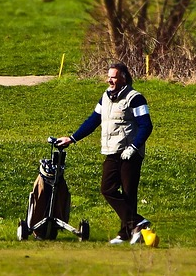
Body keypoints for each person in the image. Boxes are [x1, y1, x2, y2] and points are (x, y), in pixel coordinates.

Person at [56, 62, 153, 244]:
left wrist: (133, 147)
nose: (109, 80)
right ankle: (137, 222)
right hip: (112, 151)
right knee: (107, 189)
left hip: (130, 153)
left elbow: (146, 125)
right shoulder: (105, 97)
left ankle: (127, 233)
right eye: (108, 76)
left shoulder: (135, 98)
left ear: (123, 77)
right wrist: (72, 138)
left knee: (129, 193)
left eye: (113, 77)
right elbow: (93, 120)